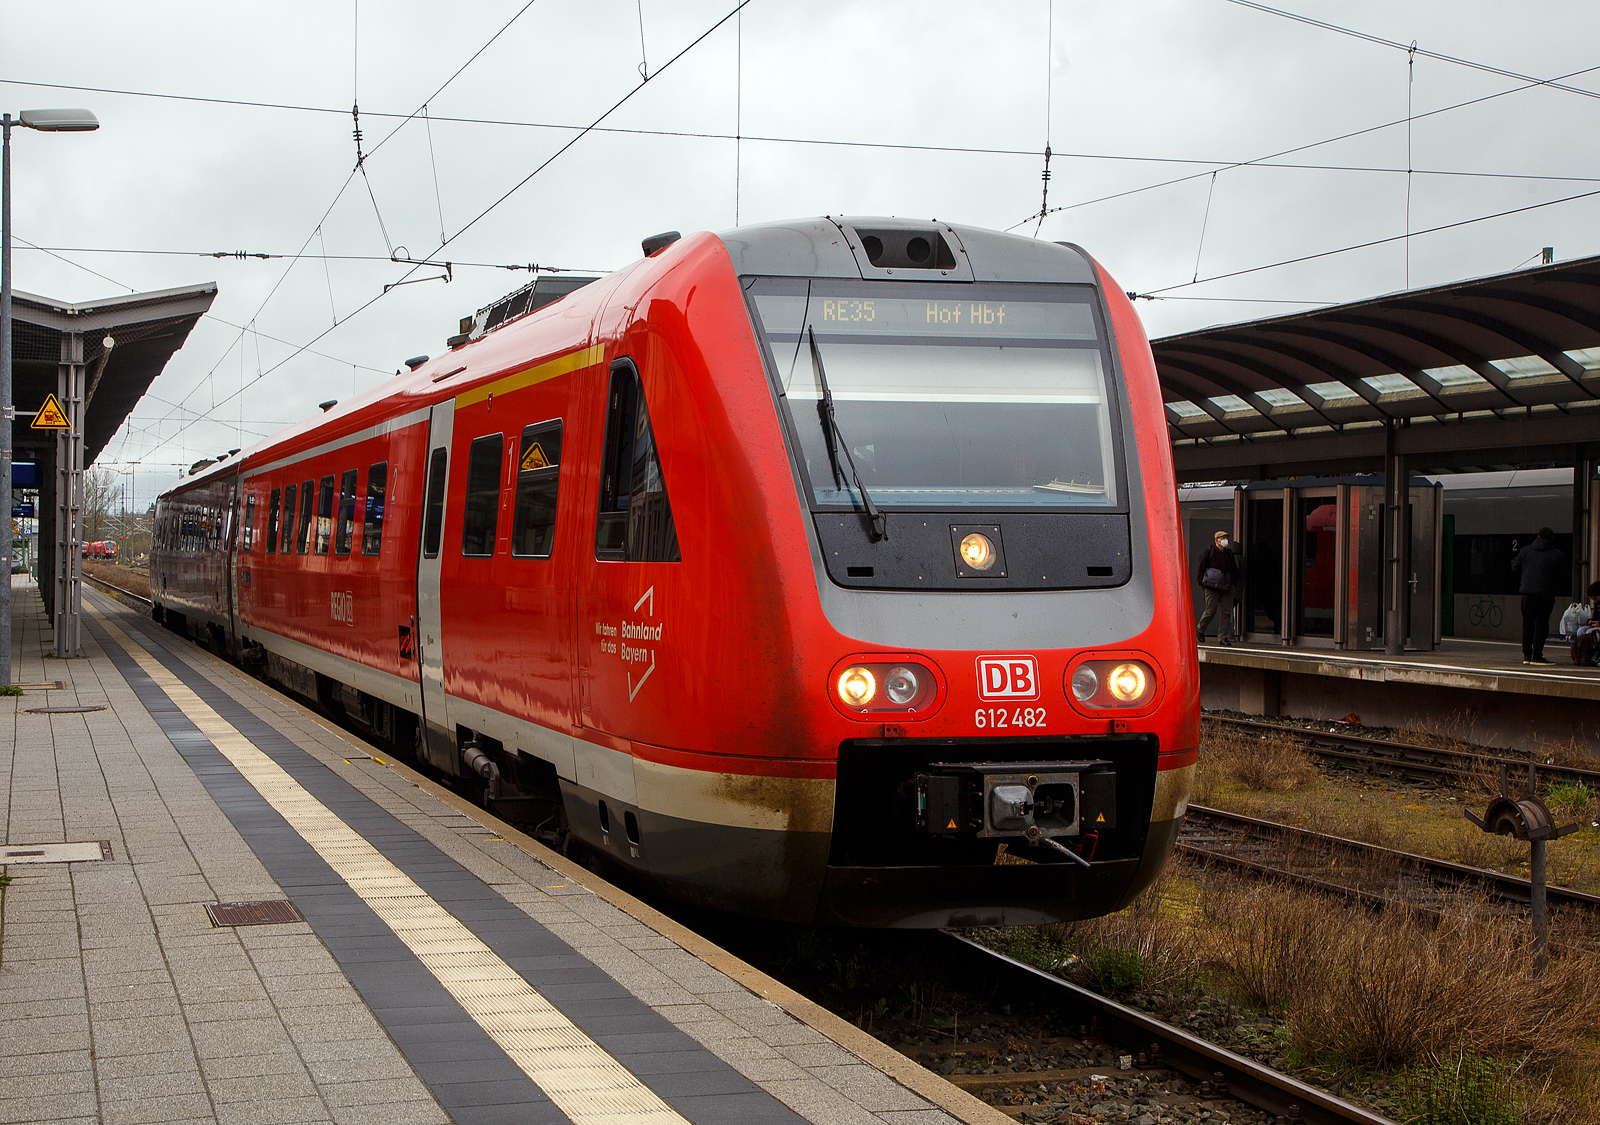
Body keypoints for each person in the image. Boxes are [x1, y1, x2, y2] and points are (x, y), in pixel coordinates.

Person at [1510, 527, 1567, 665]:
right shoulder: (1557, 554)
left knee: (1527, 624)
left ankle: (1526, 656)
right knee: (1541, 624)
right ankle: (1537, 655)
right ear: (1552, 539)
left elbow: (1514, 568)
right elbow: (1563, 575)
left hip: (1527, 593)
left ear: (1538, 536)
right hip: (1545, 594)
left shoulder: (1524, 551)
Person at [1196, 530, 1239, 646]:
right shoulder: (1209, 552)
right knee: (1211, 610)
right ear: (1217, 541)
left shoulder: (1229, 554)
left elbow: (1234, 570)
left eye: (1226, 538)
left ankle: (1223, 637)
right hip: (1212, 587)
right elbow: (1201, 568)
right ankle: (1200, 629)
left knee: (1226, 612)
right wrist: (1202, 583)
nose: (1225, 541)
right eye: (1223, 539)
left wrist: (1233, 584)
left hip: (1226, 587)